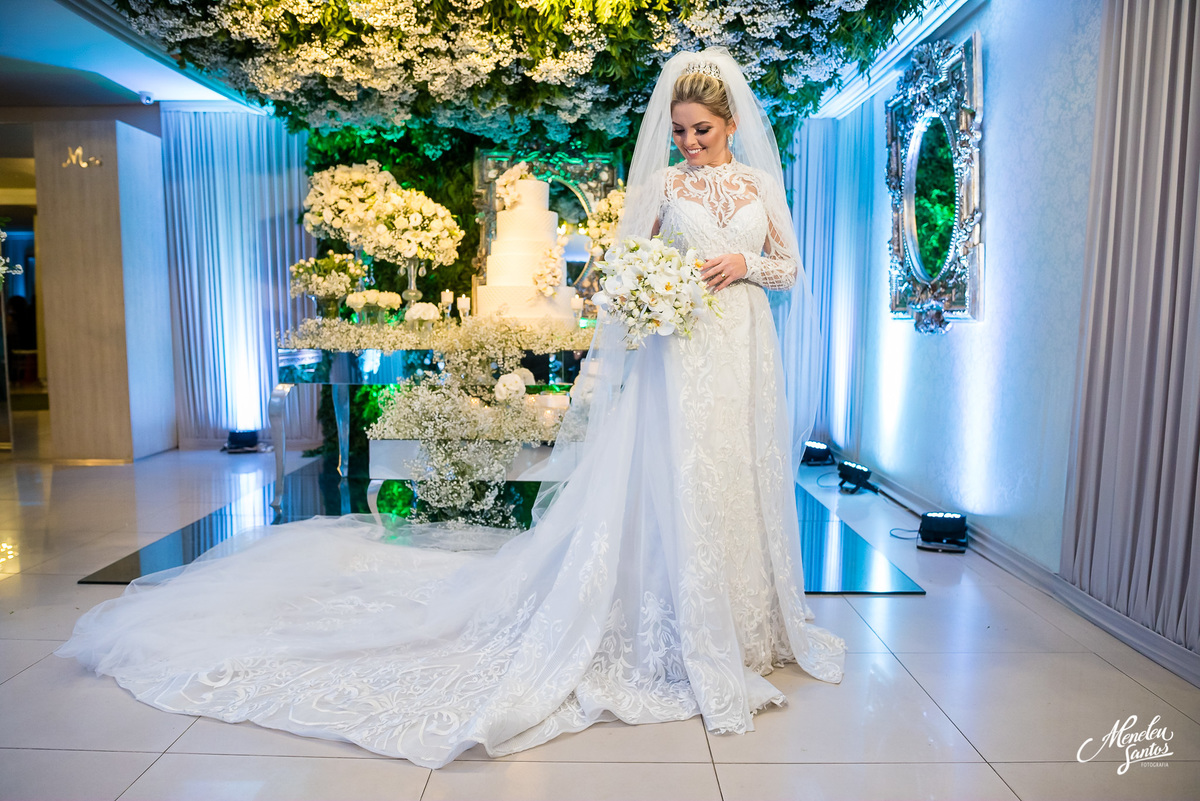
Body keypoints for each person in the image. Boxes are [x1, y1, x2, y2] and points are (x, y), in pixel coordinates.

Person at [57, 49, 845, 769]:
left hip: (744, 349)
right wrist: (645, 291)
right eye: (678, 131)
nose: (689, 143)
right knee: (685, 478)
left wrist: (744, 262)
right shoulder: (665, 187)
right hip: (682, 352)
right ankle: (680, 620)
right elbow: (622, 268)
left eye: (701, 130)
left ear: (730, 123)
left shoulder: (759, 185)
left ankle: (748, 623)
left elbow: (789, 267)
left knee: (736, 474)